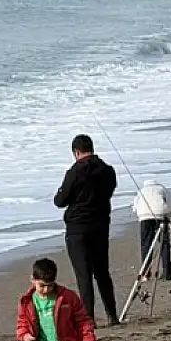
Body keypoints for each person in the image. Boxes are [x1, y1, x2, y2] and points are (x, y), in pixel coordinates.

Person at [53, 134, 119, 325]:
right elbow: (110, 190)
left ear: (76, 152)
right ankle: (112, 315)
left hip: (78, 228)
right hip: (100, 225)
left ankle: (88, 320)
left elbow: (60, 201)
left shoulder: (74, 172)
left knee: (84, 275)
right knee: (102, 273)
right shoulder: (107, 171)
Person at [131, 179, 171, 284]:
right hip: (160, 215)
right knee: (164, 243)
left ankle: (145, 273)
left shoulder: (141, 191)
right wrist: (169, 215)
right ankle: (167, 270)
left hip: (144, 217)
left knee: (146, 245)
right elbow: (168, 205)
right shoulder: (163, 189)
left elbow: (135, 208)